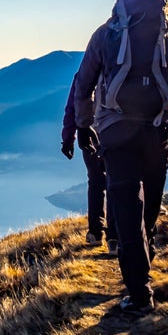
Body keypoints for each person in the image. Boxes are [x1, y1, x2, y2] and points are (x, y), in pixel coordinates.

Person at [73, 0, 168, 316]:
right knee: (147, 209)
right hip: (159, 129)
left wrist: (84, 125)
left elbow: (84, 82)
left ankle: (139, 292)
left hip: (116, 132)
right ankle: (142, 269)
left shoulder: (105, 33)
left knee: (127, 210)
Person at [62, 73, 117, 256]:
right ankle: (114, 237)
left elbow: (72, 106)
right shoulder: (121, 66)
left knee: (96, 180)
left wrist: (68, 138)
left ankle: (95, 232)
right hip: (117, 130)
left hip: (89, 133)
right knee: (115, 181)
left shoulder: (85, 72)